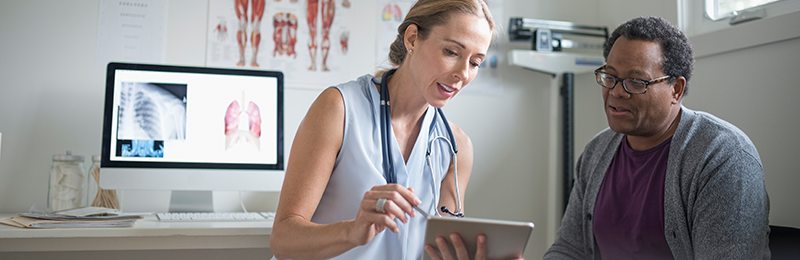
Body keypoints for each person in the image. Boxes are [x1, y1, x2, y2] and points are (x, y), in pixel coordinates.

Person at [269, 0, 503, 259]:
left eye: (475, 62)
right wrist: (352, 231)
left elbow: (441, 250)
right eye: (451, 52)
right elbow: (283, 239)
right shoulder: (340, 109)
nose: (462, 73)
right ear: (412, 38)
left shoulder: (455, 147)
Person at [543, 16, 770, 259]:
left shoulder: (724, 158)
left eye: (635, 81)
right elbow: (570, 248)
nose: (616, 91)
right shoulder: (597, 151)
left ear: (676, 89)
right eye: (610, 76)